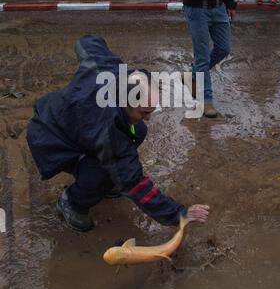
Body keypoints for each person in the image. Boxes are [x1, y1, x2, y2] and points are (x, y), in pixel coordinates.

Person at [26, 34, 210, 232]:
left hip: (69, 120)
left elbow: (87, 43)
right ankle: (71, 203)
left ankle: (104, 181)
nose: (148, 117)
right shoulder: (108, 132)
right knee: (105, 172)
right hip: (50, 138)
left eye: (151, 110)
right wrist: (179, 214)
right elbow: (136, 184)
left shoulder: (109, 70)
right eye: (144, 112)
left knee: (138, 130)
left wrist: (94, 38)